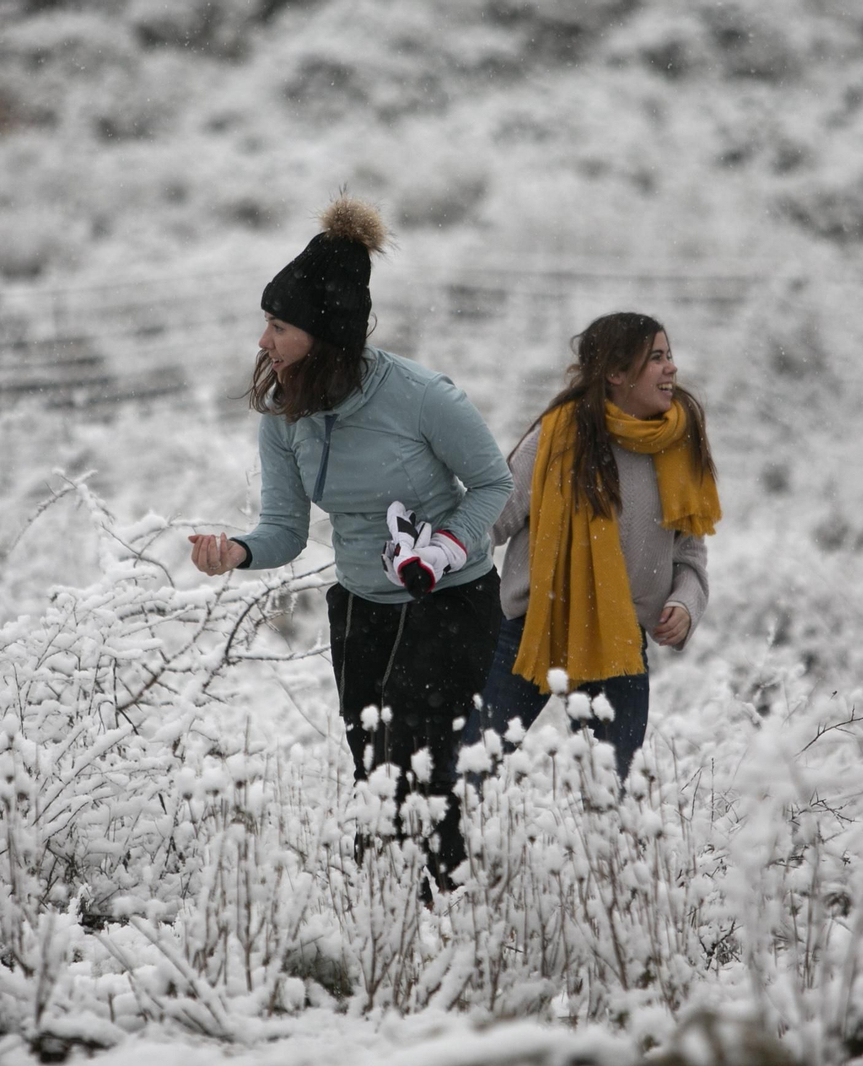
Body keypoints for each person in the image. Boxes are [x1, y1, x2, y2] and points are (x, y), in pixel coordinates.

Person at [188, 195, 512, 892]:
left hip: (450, 600)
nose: (263, 341)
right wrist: (238, 553)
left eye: (278, 325)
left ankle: (442, 905)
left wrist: (447, 548)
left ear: (326, 331)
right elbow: (286, 530)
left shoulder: (423, 397)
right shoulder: (286, 416)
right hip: (362, 603)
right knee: (372, 759)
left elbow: (495, 484)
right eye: (265, 324)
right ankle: (388, 911)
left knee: (417, 756)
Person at [463, 312, 719, 782]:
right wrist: (435, 553)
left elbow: (690, 554)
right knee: (472, 769)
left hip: (619, 637)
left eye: (670, 356)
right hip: (531, 626)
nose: (671, 369)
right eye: (656, 358)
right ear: (616, 374)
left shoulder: (677, 446)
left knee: (612, 794)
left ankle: (601, 860)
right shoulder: (557, 437)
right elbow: (493, 519)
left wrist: (686, 603)